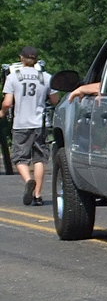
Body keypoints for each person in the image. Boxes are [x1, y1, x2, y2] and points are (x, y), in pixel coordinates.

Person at [1, 46, 57, 205]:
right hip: (40, 123)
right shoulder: (46, 77)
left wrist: (3, 112)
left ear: (21, 58)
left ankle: (27, 181)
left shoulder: (13, 77)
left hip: (21, 123)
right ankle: (38, 195)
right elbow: (54, 100)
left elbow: (8, 103)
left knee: (20, 158)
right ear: (37, 60)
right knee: (40, 158)